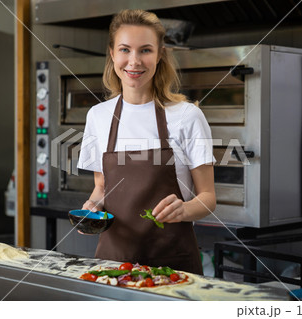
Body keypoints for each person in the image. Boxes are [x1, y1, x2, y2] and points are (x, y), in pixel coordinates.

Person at [77, 9, 216, 275]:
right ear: (112, 54)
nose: (134, 61)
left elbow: (208, 198)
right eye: (125, 49)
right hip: (113, 265)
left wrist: (184, 209)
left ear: (160, 54)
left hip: (172, 265)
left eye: (145, 50)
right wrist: (92, 207)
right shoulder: (98, 116)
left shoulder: (187, 116)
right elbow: (102, 187)